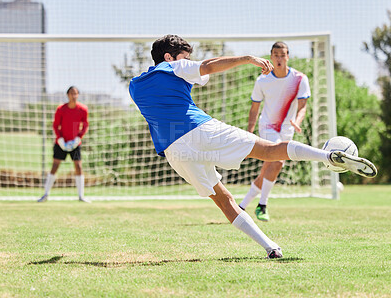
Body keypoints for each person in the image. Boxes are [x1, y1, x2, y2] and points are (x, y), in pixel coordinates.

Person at [129, 34, 377, 259]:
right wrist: (247, 58)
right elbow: (207, 67)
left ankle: (271, 247)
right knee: (270, 151)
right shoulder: (174, 66)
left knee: (224, 200)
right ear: (169, 57)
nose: (188, 61)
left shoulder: (135, 85)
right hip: (199, 129)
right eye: (185, 57)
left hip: (175, 151)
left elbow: (162, 104)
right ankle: (328, 156)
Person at [239, 42, 310, 221]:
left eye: (282, 54)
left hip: (287, 129)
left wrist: (297, 121)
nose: (279, 58)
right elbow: (254, 109)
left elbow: (303, 106)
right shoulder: (262, 80)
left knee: (271, 167)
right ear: (271, 57)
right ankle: (262, 205)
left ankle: (242, 205)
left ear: (288, 57)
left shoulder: (300, 79)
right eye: (276, 54)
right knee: (276, 161)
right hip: (268, 127)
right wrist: (249, 133)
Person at [38, 86, 90, 203]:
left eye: (76, 93)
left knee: (78, 167)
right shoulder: (61, 109)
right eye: (72, 93)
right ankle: (45, 194)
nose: (74, 96)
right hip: (61, 143)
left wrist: (78, 138)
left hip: (75, 144)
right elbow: (56, 125)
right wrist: (60, 139)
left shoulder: (83, 109)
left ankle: (81, 196)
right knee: (55, 166)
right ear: (67, 95)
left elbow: (85, 125)